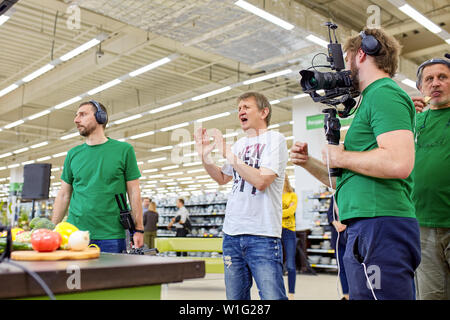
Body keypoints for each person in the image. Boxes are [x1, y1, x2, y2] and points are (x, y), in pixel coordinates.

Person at [291, 28, 421, 300]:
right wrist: (309, 163)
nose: (343, 69)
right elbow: (345, 179)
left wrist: (340, 156)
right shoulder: (368, 101)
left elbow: (399, 162)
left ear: (361, 54)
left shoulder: (384, 94)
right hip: (364, 225)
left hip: (381, 223)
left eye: (346, 59)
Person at [194, 91, 288, 300]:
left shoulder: (275, 140)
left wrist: (228, 153)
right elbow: (221, 178)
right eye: (239, 109)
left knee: (272, 297)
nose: (241, 112)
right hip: (232, 234)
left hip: (262, 234)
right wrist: (205, 156)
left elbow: (262, 181)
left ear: (264, 112)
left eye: (246, 107)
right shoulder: (239, 145)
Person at [51, 100, 144, 253]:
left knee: (109, 277)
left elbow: (134, 191)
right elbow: (63, 195)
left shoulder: (124, 150)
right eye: (76, 115)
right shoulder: (73, 154)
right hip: (74, 234)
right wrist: (52, 228)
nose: (76, 120)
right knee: (74, 276)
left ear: (101, 117)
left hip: (111, 234)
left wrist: (139, 228)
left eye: (83, 114)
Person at [411, 57, 450, 300]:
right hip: (422, 226)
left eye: (443, 77)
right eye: (429, 79)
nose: (435, 83)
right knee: (431, 297)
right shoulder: (412, 123)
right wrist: (404, 116)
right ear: (421, 88)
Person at [326, 197, 349, 300]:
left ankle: (355, 293)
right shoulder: (334, 197)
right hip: (337, 237)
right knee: (341, 268)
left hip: (350, 237)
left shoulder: (350, 194)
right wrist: (336, 223)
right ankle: (346, 294)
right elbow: (330, 215)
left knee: (352, 267)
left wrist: (345, 224)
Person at [281, 174, 298, 300]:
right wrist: (285, 211)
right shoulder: (274, 194)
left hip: (289, 231)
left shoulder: (293, 195)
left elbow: (291, 212)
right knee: (276, 265)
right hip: (275, 231)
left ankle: (291, 294)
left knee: (291, 265)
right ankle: (279, 292)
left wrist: (278, 212)